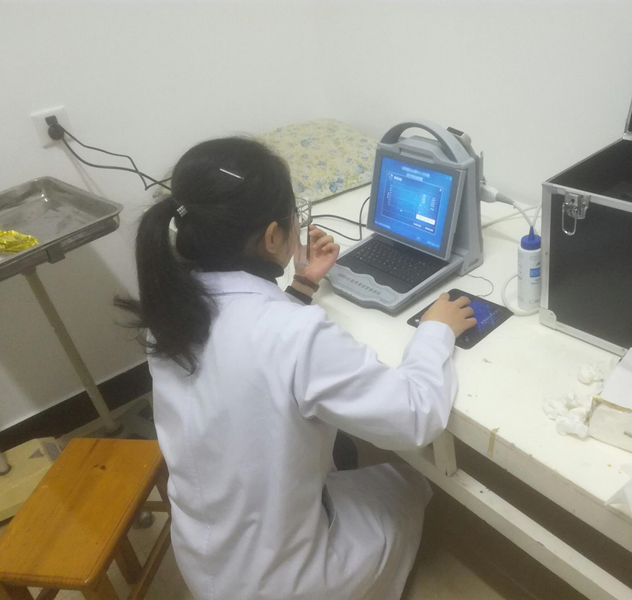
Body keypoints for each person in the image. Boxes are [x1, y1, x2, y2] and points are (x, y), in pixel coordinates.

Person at [119, 137, 476, 600]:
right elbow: (415, 418)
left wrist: (303, 284)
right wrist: (435, 331)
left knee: (332, 457)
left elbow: (247, 340)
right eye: (294, 217)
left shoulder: (171, 312)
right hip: (284, 586)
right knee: (409, 484)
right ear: (272, 237)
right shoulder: (296, 335)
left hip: (206, 562)